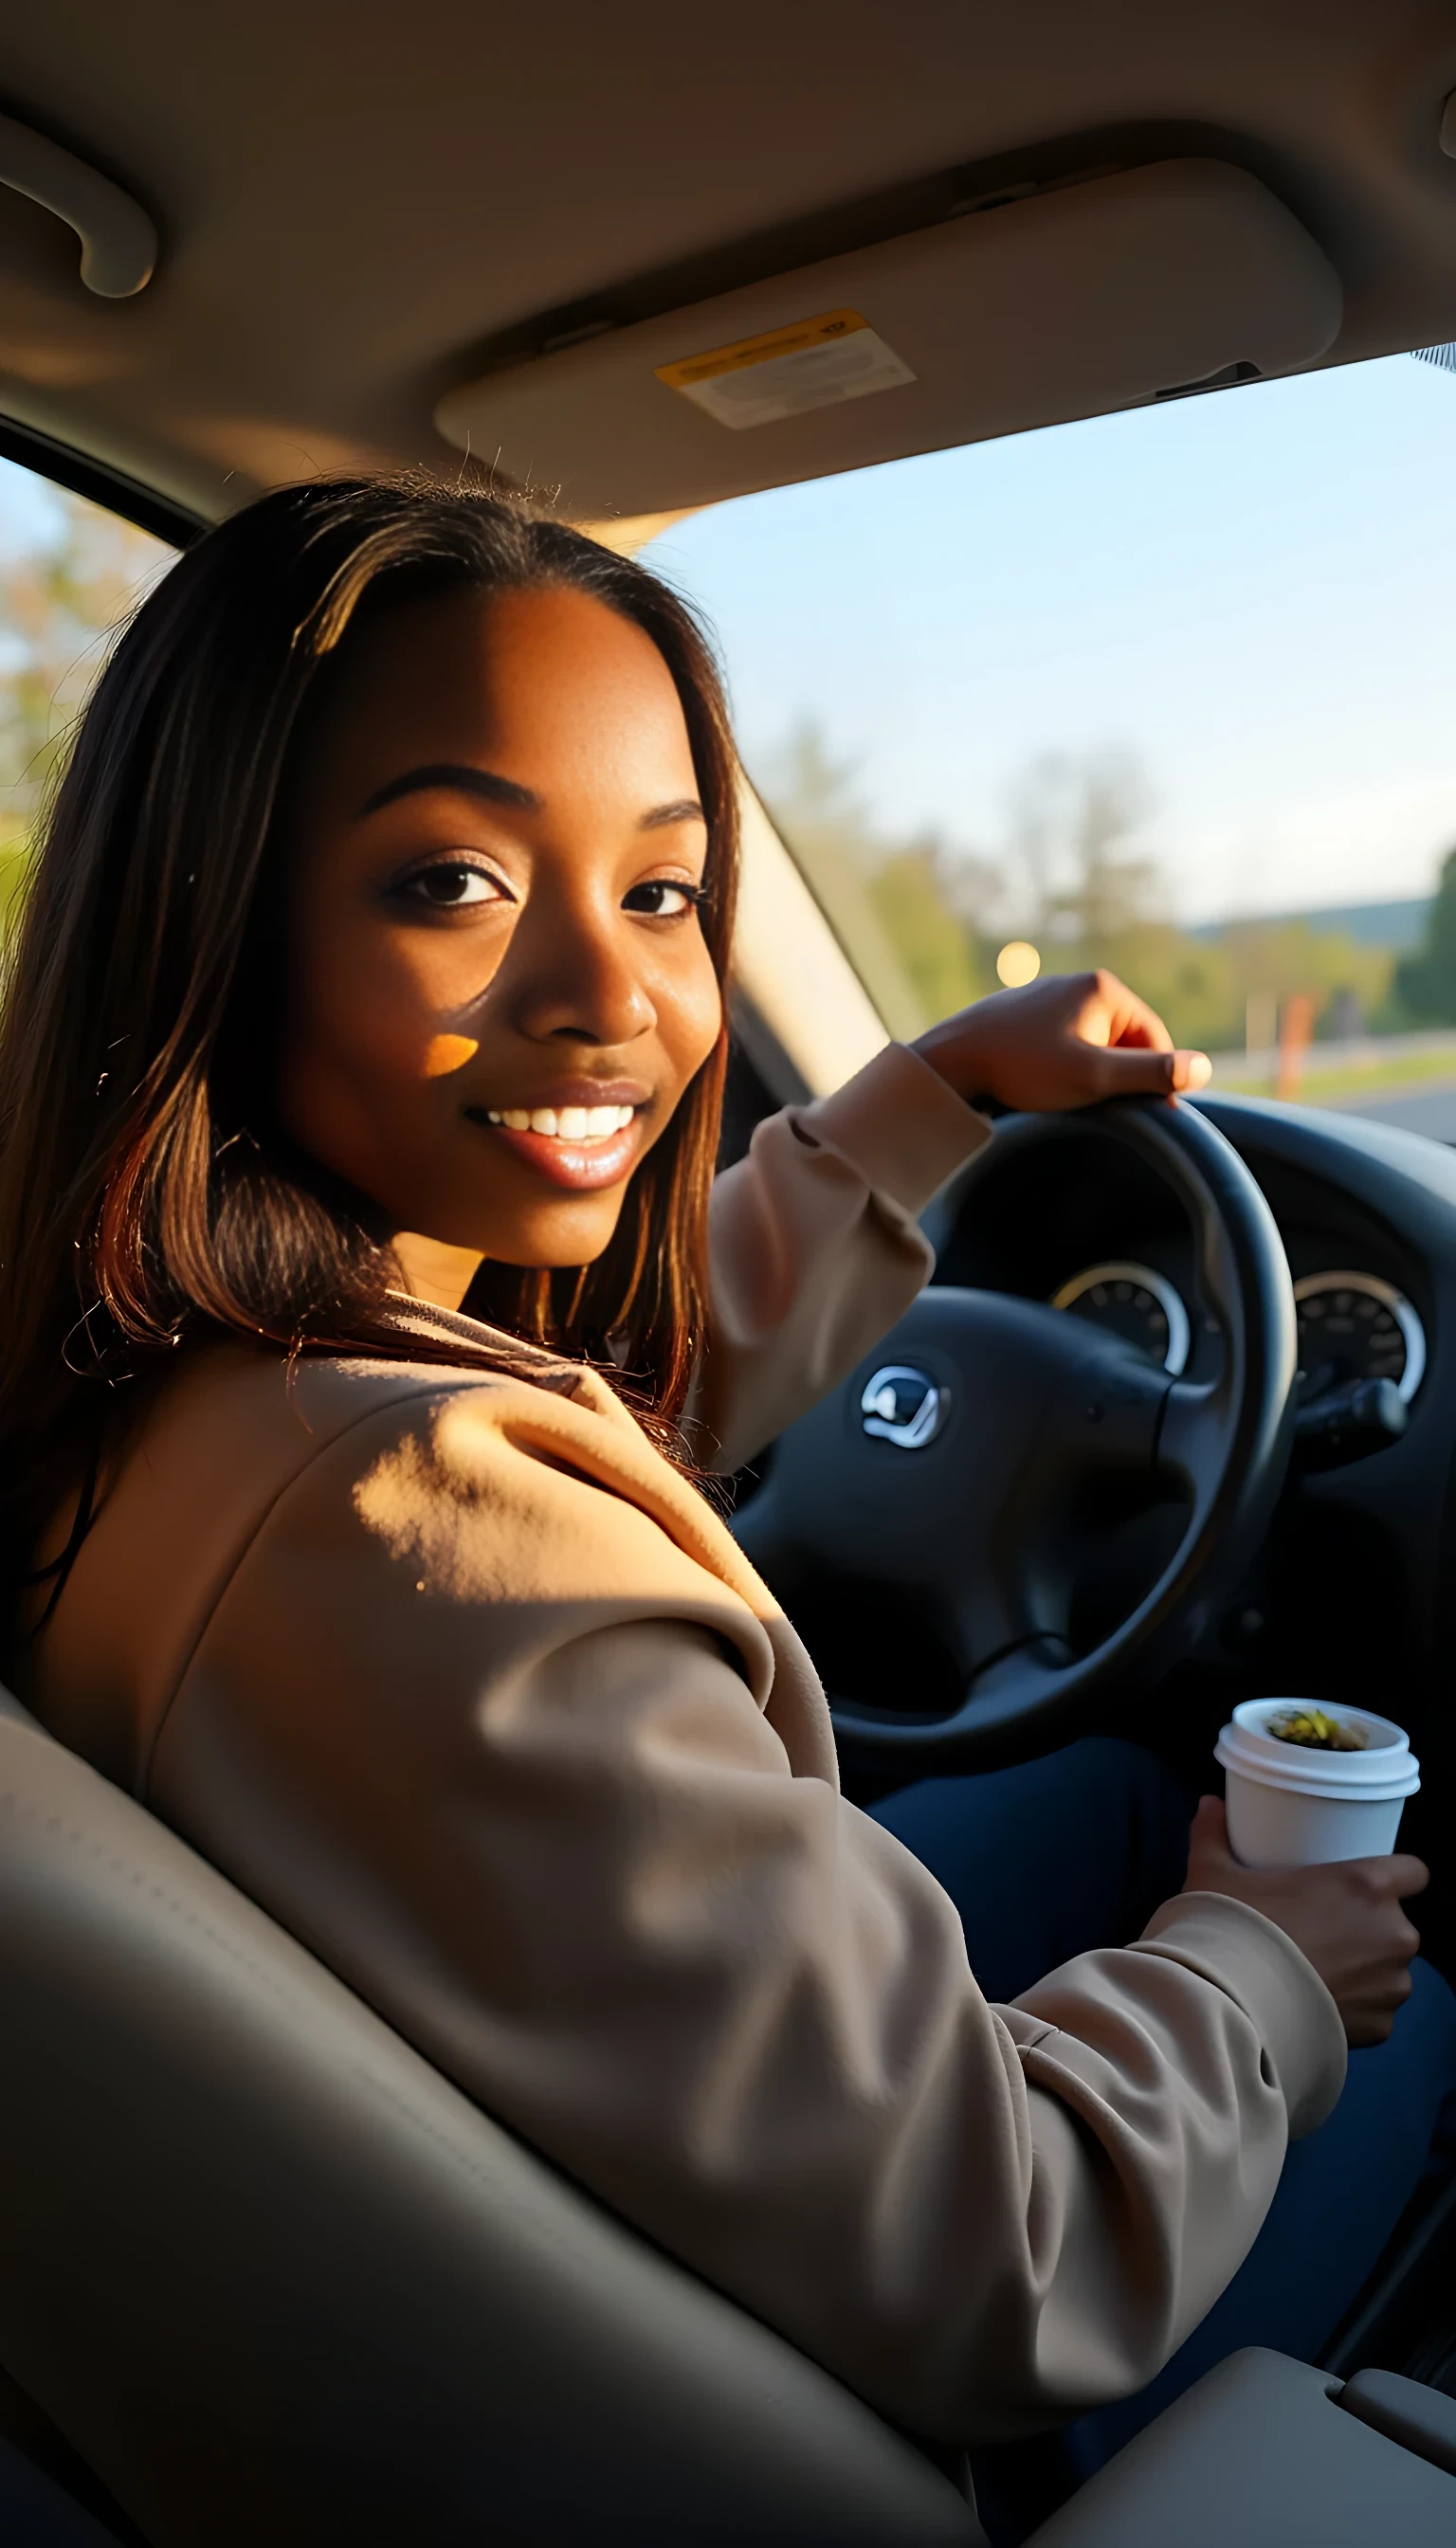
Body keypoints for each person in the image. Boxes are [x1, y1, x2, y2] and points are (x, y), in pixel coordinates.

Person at [0, 480, 1449, 2477]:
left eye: (665, 892)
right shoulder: (431, 1541)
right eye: (452, 883)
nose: (614, 1000)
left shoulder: (191, 1386)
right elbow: (1014, 2248)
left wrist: (924, 1107)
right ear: (213, 912)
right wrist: (1276, 1971)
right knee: (1417, 1999)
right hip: (877, 2402)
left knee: (1107, 1790)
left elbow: (606, 1391)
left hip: (575, 2225)